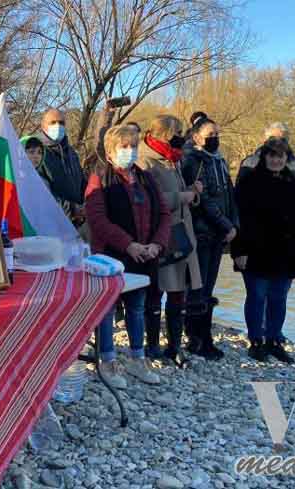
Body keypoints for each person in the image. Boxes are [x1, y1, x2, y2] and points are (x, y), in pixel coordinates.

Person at [85, 125, 171, 387]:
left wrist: (157, 244)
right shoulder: (99, 178)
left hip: (145, 255)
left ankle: (137, 357)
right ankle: (107, 360)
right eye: (123, 146)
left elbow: (165, 214)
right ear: (110, 151)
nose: (129, 151)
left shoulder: (146, 178)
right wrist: (128, 244)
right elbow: (97, 219)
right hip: (112, 255)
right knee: (107, 310)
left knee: (137, 307)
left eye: (132, 146)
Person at [137, 114, 202, 367]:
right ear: (163, 134)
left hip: (183, 232)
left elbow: (180, 193)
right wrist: (181, 197)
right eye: (177, 131)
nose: (180, 136)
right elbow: (147, 199)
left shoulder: (172, 158)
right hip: (160, 233)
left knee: (179, 292)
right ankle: (152, 345)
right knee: (155, 291)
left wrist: (192, 194)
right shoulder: (145, 161)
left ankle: (174, 345)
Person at [231, 138, 295, 363]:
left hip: (285, 251)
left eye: (280, 156)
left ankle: (273, 340)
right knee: (257, 296)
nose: (276, 160)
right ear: (264, 157)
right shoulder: (249, 181)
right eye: (272, 155)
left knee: (278, 297)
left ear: (286, 158)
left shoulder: (292, 182)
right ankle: (256, 341)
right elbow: (239, 218)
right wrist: (239, 250)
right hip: (255, 250)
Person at [181, 116, 238, 360]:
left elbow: (229, 192)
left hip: (219, 233)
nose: (215, 138)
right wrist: (224, 223)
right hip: (202, 230)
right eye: (209, 135)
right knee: (197, 285)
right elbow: (203, 200)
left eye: (217, 133)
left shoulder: (220, 160)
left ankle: (206, 336)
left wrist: (234, 223)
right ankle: (195, 338)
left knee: (209, 286)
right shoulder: (193, 160)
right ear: (196, 137)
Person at [238, 122, 295, 212]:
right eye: (273, 138)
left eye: (282, 139)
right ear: (265, 140)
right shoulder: (249, 163)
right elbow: (240, 194)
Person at [31, 108, 87, 227]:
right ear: (43, 125)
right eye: (53, 122)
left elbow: (82, 183)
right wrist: (72, 209)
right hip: (51, 226)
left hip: (77, 224)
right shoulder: (36, 153)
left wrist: (86, 204)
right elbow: (41, 192)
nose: (58, 126)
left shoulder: (71, 153)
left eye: (61, 123)